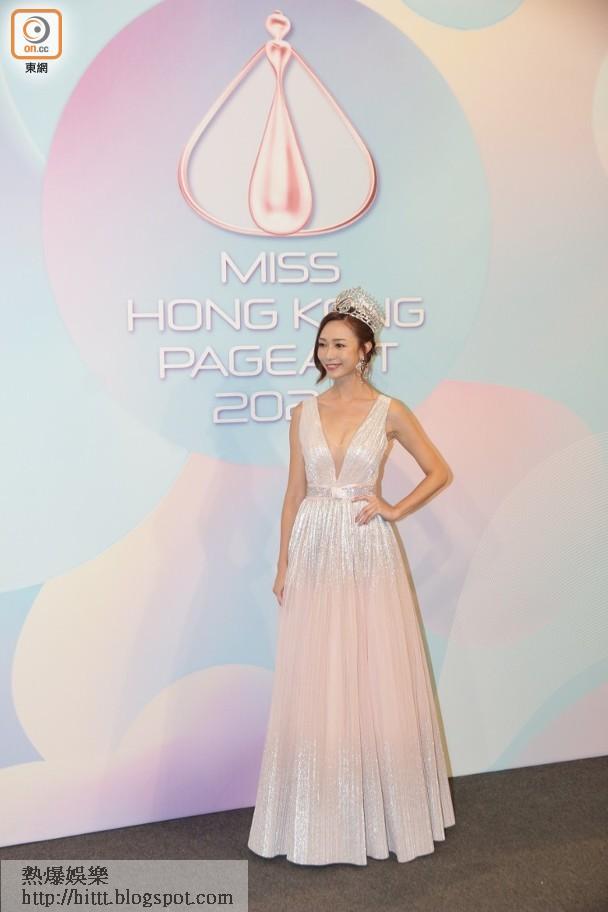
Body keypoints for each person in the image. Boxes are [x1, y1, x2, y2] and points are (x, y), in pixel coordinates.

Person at [247, 286, 456, 866]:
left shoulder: (391, 412)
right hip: (314, 546)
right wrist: (283, 564)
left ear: (366, 350)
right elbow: (293, 494)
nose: (328, 354)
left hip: (367, 549)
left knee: (372, 669)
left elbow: (438, 471)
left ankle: (383, 813)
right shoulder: (304, 413)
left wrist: (393, 508)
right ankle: (318, 813)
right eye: (322, 345)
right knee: (319, 669)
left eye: (339, 344)